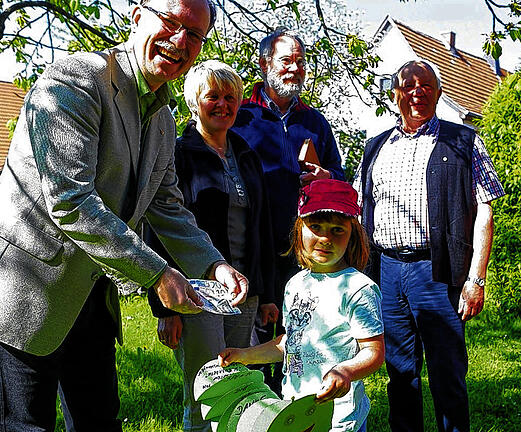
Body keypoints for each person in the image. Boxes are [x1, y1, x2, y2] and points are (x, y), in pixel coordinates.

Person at [0, 0, 250, 429]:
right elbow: (70, 201)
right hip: (27, 293)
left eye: (194, 35)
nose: (180, 42)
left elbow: (167, 205)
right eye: (170, 22)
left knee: (100, 421)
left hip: (93, 297)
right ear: (137, 15)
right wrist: (158, 274)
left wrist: (213, 264)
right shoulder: (75, 80)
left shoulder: (164, 118)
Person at [355, 59, 505, 432]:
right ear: (396, 94)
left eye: (426, 86)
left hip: (436, 271)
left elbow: (484, 212)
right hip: (387, 271)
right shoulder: (374, 147)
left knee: (447, 372)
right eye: (408, 86)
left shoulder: (462, 141)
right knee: (400, 373)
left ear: (438, 93)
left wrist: (476, 279)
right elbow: (357, 211)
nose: (417, 92)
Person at [143, 60, 278, 432]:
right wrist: (163, 306)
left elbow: (260, 229)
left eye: (230, 96)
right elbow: (160, 226)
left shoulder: (246, 155)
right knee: (204, 392)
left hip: (242, 292)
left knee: (236, 386)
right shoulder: (178, 153)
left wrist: (266, 294)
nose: (223, 104)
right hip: (195, 292)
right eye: (212, 96)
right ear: (194, 102)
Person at [219, 179, 384, 432]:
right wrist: (245, 355)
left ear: (352, 235)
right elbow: (291, 342)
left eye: (337, 229)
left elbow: (373, 352)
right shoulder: (296, 283)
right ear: (299, 229)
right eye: (315, 226)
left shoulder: (358, 288)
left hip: (337, 417)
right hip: (295, 411)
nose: (325, 238)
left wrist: (346, 371)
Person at [231, 27, 344, 391]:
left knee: (302, 336)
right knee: (254, 339)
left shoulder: (315, 122)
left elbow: (340, 180)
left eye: (300, 62)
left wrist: (326, 175)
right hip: (253, 248)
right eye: (286, 61)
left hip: (305, 249)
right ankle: (253, 412)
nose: (294, 69)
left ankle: (296, 403)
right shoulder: (241, 117)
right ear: (265, 63)